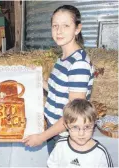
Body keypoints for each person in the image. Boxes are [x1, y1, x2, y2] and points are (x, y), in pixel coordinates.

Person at [23, 4, 95, 154]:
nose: (59, 31)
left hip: (64, 136)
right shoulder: (62, 58)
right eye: (55, 26)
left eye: (65, 26)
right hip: (54, 129)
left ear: (77, 29)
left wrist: (42, 137)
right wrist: (37, 79)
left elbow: (73, 116)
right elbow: (57, 91)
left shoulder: (79, 64)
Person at [47, 99, 113, 167]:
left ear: (94, 125)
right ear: (66, 125)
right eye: (75, 127)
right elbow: (52, 165)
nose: (81, 134)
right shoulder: (60, 145)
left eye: (87, 127)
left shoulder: (101, 153)